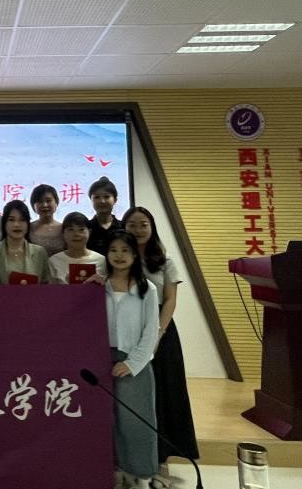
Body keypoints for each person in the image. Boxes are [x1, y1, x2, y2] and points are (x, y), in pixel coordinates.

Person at [122, 206, 199, 487]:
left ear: (152, 227)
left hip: (160, 333)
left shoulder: (164, 261)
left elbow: (170, 300)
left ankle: (162, 459)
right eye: (132, 224)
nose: (138, 229)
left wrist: (156, 333)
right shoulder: (120, 258)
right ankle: (131, 458)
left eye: (143, 224)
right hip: (128, 331)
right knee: (133, 394)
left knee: (163, 394)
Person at [105, 230, 159, 489]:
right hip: (102, 359)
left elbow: (151, 331)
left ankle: (142, 473)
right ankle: (115, 469)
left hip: (133, 360)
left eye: (125, 250)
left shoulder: (147, 289)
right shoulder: (99, 286)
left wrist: (132, 363)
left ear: (135, 255)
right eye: (113, 250)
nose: (119, 255)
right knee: (108, 419)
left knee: (137, 420)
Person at [0, 199, 49, 284]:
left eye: (22, 220)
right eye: (11, 220)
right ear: (4, 223)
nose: (17, 225)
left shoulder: (40, 252)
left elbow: (45, 284)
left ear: (28, 224)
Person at [47, 211, 106, 283]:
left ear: (89, 232)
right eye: (70, 230)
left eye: (81, 230)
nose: (76, 234)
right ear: (63, 233)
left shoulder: (100, 259)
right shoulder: (54, 261)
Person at [87, 176, 121, 256]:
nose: (102, 201)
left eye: (106, 197)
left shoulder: (123, 227)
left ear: (115, 200)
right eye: (97, 197)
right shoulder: (86, 228)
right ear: (91, 200)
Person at [29, 183, 64, 256]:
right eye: (40, 201)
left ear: (56, 202)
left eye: (48, 201)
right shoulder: (28, 228)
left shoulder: (64, 228)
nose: (45, 205)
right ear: (33, 205)